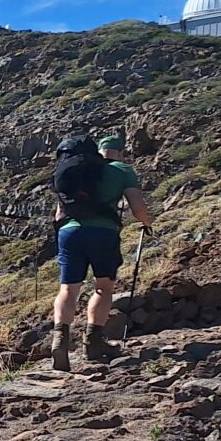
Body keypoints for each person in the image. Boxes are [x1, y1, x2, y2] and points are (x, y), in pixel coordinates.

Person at [48, 133, 153, 369]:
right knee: (103, 287)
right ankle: (93, 342)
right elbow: (138, 207)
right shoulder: (121, 170)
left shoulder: (70, 171)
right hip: (103, 233)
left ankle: (59, 339)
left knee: (68, 289)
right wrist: (146, 224)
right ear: (120, 152)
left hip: (69, 232)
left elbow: (58, 213)